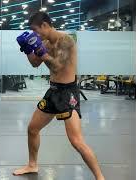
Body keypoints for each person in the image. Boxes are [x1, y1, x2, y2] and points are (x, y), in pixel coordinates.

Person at [13, 12, 105, 180]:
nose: (35, 34)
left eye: (36, 30)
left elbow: (57, 67)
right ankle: (32, 165)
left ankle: (100, 177)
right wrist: (27, 49)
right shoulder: (46, 43)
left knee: (76, 141)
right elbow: (35, 63)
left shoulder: (66, 41)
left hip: (67, 93)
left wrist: (40, 50)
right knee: (32, 129)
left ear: (45, 25)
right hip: (53, 91)